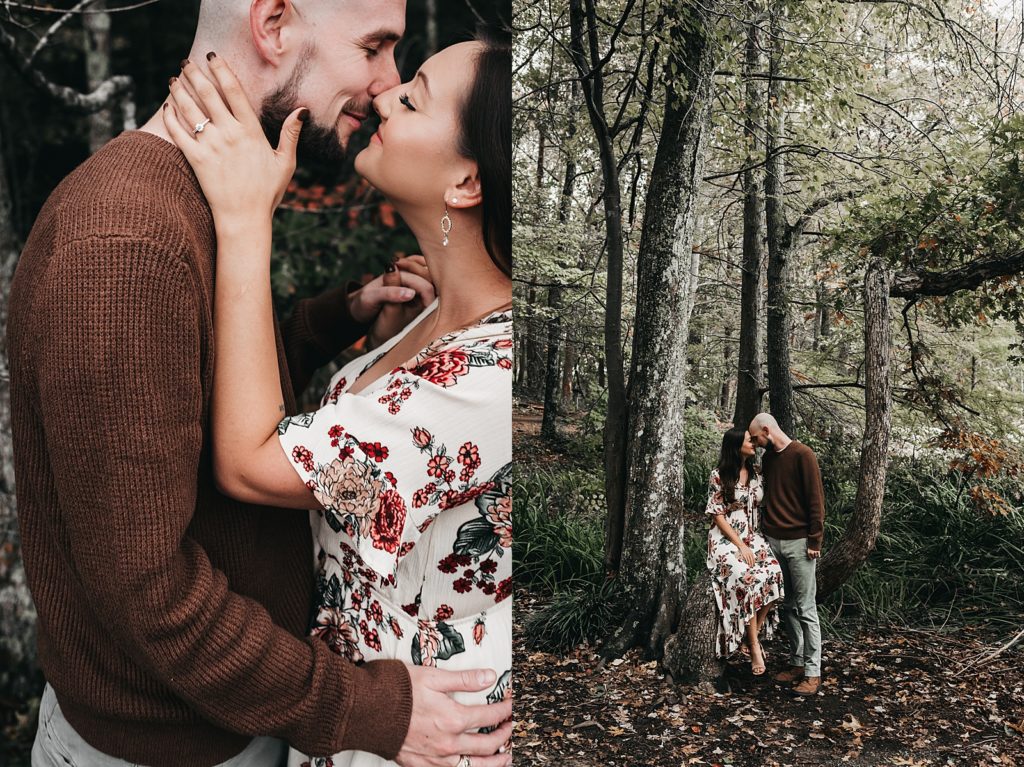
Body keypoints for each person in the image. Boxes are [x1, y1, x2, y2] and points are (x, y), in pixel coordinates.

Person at [8, 2, 511, 766]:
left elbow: (184, 380)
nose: (383, 86)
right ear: (273, 25)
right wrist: (355, 706)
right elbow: (150, 595)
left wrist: (320, 325)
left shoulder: (194, 201)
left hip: (247, 723)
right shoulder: (124, 241)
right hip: (171, 747)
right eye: (375, 48)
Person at [161, 22, 512, 767]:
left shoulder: (488, 376)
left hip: (420, 735)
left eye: (413, 100)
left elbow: (252, 461)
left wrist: (245, 219)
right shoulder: (434, 320)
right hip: (369, 719)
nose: (384, 96)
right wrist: (361, 327)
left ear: (467, 181)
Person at [748, 412, 826, 696]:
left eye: (756, 438)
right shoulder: (768, 459)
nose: (755, 444)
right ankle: (796, 660)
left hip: (800, 543)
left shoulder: (803, 454)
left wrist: (815, 539)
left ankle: (812, 671)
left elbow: (816, 500)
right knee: (787, 605)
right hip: (773, 542)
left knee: (806, 607)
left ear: (767, 430)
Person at [705, 428, 784, 675]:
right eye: (749, 440)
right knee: (746, 578)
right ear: (736, 445)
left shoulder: (756, 473)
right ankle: (754, 647)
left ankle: (751, 636)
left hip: (753, 535)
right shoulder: (719, 475)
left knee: (774, 573)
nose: (753, 443)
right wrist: (739, 545)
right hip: (726, 538)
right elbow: (717, 515)